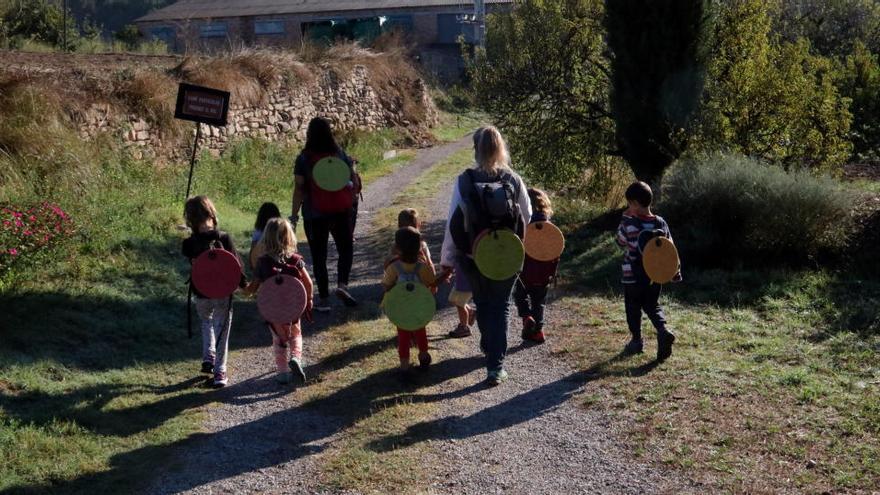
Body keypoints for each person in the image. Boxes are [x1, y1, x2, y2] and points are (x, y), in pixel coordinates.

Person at [440, 126, 531, 386]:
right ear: (501, 148)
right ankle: (495, 366)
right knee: (501, 306)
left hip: (473, 256)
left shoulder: (465, 180)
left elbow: (453, 223)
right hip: (507, 256)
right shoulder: (513, 179)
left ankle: (489, 346)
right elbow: (528, 216)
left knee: (482, 303)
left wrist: (447, 260)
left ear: (476, 149)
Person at [290, 117, 360, 312]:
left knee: (318, 255)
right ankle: (342, 285)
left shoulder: (304, 158)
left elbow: (299, 188)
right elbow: (351, 180)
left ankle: (323, 298)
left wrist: (294, 216)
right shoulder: (339, 154)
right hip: (340, 210)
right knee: (345, 249)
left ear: (309, 134)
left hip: (314, 214)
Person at [181, 196, 245, 388]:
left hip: (201, 290)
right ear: (211, 214)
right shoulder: (223, 238)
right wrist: (244, 284)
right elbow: (236, 265)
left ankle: (209, 355)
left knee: (206, 321)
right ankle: (219, 372)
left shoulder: (189, 244)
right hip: (223, 291)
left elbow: (191, 258)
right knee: (222, 329)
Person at [615, 181, 678, 361]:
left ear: (634, 203)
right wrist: (674, 271)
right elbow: (670, 249)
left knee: (632, 307)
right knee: (652, 304)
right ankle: (663, 330)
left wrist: (623, 220)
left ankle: (636, 341)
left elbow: (620, 242)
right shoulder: (661, 222)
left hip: (632, 276)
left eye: (629, 203)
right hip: (654, 274)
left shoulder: (630, 223)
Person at [247, 218, 314, 384]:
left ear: (266, 239)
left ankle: (282, 372)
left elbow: (252, 288)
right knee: (295, 334)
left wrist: (240, 287)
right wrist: (309, 299)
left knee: (279, 339)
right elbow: (308, 283)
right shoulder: (296, 260)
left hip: (273, 310)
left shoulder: (262, 263)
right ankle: (296, 358)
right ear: (289, 237)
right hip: (293, 307)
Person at [382, 227, 437, 373]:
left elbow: (386, 287)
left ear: (397, 248)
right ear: (419, 247)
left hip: (401, 309)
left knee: (403, 336)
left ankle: (404, 365)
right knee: (420, 331)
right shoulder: (423, 267)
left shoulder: (393, 268)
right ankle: (424, 355)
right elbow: (431, 282)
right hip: (419, 307)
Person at [513, 188, 555, 344]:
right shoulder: (549, 226)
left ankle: (526, 317)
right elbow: (555, 250)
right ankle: (538, 332)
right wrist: (553, 272)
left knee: (520, 296)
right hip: (543, 272)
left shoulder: (523, 224)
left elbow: (516, 246)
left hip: (524, 270)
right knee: (539, 302)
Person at [249, 202, 280, 270]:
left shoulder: (258, 231)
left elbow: (253, 249)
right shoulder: (281, 231)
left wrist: (252, 263)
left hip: (262, 266)